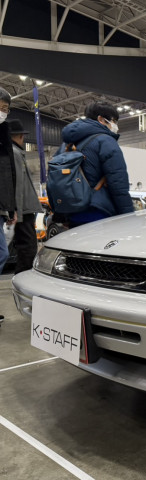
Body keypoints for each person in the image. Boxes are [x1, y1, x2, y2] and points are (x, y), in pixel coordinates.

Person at [55, 101, 134, 227]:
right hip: (99, 212)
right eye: (113, 121)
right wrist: (129, 216)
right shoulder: (106, 141)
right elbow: (118, 184)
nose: (115, 126)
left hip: (72, 213)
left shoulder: (66, 145)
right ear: (101, 119)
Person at [8, 120, 42, 275]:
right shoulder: (15, 153)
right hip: (23, 211)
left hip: (21, 210)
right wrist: (18, 213)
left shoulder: (13, 152)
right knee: (28, 249)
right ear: (21, 136)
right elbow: (18, 186)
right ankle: (23, 279)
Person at [0, 87, 17, 325]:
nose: (3, 112)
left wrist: (10, 208)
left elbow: (7, 174)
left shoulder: (4, 132)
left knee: (3, 253)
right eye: (1, 107)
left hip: (1, 206)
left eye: (6, 109)